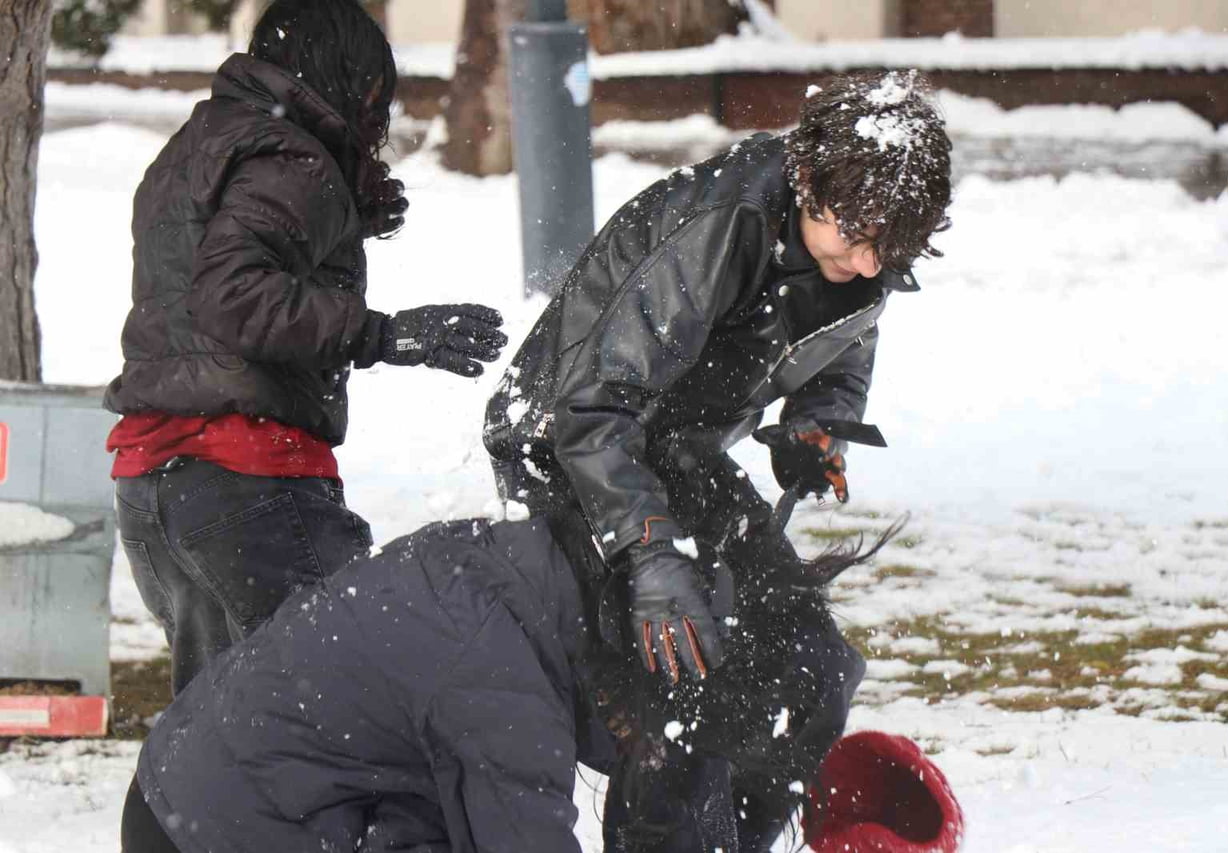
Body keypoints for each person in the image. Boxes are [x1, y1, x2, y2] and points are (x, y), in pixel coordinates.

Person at [483, 70, 952, 850]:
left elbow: (844, 331)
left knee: (815, 675)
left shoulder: (864, 231)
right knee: (695, 680)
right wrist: (649, 551)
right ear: (808, 180)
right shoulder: (721, 227)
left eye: (888, 250)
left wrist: (820, 421)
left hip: (676, 448)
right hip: (572, 450)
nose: (871, 265)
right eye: (856, 240)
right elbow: (591, 409)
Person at [118, 450, 890, 853]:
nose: (634, 746)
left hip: (204, 787)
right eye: (643, 730)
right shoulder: (506, 692)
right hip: (214, 832)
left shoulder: (527, 576)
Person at [104, 0, 506, 695]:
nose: (380, 117)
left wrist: (341, 211)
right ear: (347, 80)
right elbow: (232, 295)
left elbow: (199, 269)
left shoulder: (199, 142)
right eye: (376, 97)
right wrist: (383, 332)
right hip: (247, 480)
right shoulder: (294, 161)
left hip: (156, 493)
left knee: (217, 749)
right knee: (367, 709)